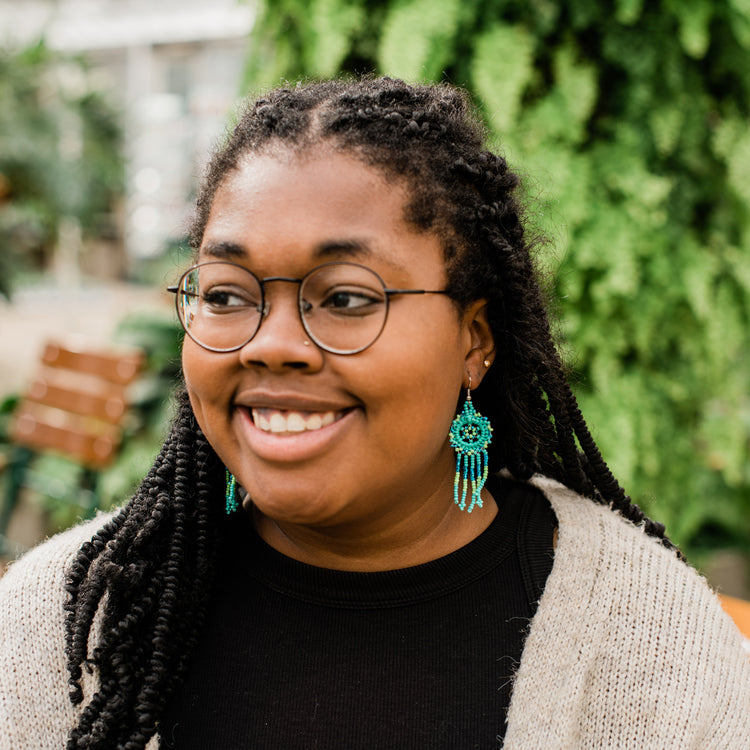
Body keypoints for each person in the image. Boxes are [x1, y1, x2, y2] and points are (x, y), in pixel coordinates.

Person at [1, 76, 749, 750]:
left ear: (473, 341)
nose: (273, 346)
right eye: (227, 294)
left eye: (348, 298)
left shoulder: (651, 641)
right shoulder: (58, 624)